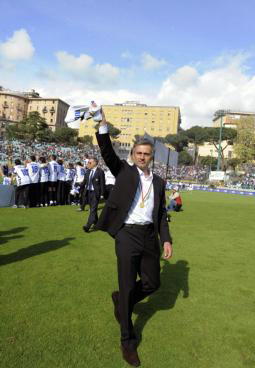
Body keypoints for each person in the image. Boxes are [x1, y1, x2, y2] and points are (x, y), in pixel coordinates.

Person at [95, 111, 173, 367]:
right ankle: (128, 341)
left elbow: (161, 212)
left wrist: (166, 240)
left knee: (152, 283)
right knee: (128, 284)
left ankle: (122, 300)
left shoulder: (159, 182)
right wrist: (103, 126)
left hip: (149, 236)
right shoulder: (125, 172)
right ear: (133, 155)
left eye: (146, 154)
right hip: (127, 234)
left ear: (152, 157)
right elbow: (107, 153)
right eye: (138, 153)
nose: (142, 157)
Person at [81, 157, 105, 232]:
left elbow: (102, 183)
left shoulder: (100, 171)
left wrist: (102, 194)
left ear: (95, 163)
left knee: (93, 209)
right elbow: (84, 181)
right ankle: (97, 224)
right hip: (88, 192)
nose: (88, 164)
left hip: (96, 193)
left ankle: (87, 226)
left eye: (90, 163)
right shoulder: (88, 171)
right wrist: (79, 187)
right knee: (93, 209)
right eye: (88, 162)